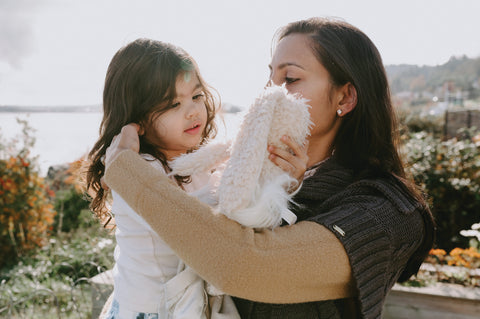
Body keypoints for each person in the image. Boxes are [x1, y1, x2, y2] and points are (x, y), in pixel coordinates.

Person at [103, 18, 435, 319]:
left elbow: (239, 263)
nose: (269, 93)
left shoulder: (386, 211)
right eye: (269, 77)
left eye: (289, 78)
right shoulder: (256, 171)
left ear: (345, 98)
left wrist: (127, 171)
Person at [86, 38, 231, 318]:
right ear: (137, 118)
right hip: (151, 311)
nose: (192, 111)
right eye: (173, 104)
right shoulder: (143, 167)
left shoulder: (192, 161)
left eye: (197, 96)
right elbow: (194, 223)